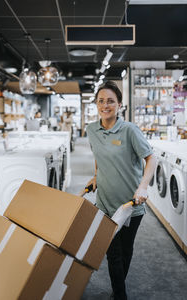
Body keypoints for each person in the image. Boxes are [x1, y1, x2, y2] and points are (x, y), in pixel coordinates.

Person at [85, 81, 156, 300]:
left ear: (119, 105)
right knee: (112, 253)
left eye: (110, 101)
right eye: (101, 101)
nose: (105, 105)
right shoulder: (91, 129)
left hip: (130, 206)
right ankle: (120, 295)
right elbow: (99, 157)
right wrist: (97, 175)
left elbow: (151, 158)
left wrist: (143, 186)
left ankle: (118, 289)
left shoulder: (129, 130)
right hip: (105, 204)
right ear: (96, 104)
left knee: (125, 251)